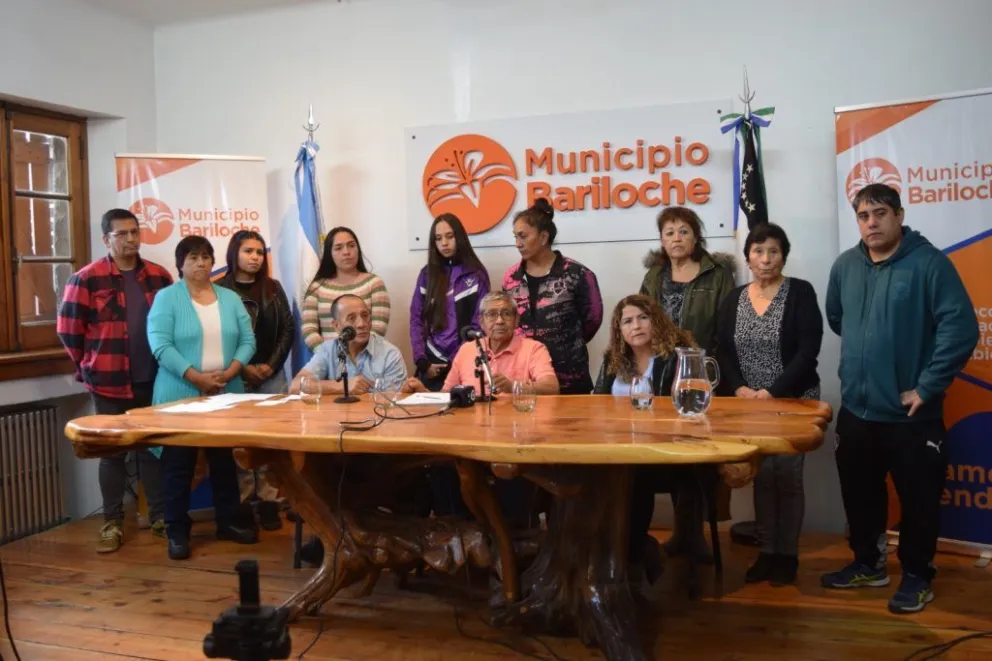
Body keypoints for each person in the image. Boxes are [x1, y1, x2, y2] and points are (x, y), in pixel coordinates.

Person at [821, 184, 978, 614]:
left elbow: (960, 329)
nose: (871, 222)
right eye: (863, 215)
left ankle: (916, 575)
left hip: (912, 416)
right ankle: (868, 564)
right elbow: (839, 319)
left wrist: (927, 386)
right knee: (860, 494)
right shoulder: (845, 266)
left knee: (919, 500)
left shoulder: (929, 264)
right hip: (858, 410)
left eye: (880, 213)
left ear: (899, 215)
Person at [56, 208, 173, 553]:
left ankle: (160, 517)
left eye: (135, 232)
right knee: (112, 455)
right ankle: (112, 522)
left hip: (154, 380)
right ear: (106, 239)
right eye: (122, 234)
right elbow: (68, 331)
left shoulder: (159, 276)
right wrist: (88, 365)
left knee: (154, 450)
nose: (131, 239)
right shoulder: (86, 279)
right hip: (107, 382)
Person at [717, 223, 823, 587]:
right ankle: (767, 553)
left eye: (773, 251)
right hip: (750, 405)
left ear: (783, 256)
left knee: (788, 478)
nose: (766, 258)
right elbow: (723, 351)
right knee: (763, 478)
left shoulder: (801, 293)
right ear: (748, 256)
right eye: (759, 251)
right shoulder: (734, 298)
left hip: (793, 401)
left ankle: (787, 556)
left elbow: (808, 352)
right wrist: (739, 387)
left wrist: (773, 391)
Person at [147, 236, 259, 560]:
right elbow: (160, 345)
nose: (201, 263)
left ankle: (227, 521)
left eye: (206, 257)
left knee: (224, 460)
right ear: (180, 263)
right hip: (179, 394)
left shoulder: (230, 298)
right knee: (178, 465)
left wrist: (232, 371)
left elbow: (248, 340)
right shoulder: (166, 299)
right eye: (193, 257)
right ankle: (177, 531)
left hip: (226, 390)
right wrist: (197, 377)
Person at [406, 292, 559, 522]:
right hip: (469, 438)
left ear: (516, 320)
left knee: (513, 477)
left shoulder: (533, 349)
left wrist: (514, 385)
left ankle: (512, 537)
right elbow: (448, 395)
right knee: (441, 469)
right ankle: (458, 532)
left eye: (506, 313)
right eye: (492, 314)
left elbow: (551, 387)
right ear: (481, 321)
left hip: (514, 438)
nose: (499, 320)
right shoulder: (468, 350)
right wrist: (425, 394)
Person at [639, 206, 736, 559]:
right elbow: (640, 317)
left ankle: (693, 534)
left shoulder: (718, 274)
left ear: (696, 236)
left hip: (702, 373)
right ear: (661, 240)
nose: (676, 238)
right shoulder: (654, 275)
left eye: (683, 231)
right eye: (669, 233)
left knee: (698, 456)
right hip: (661, 373)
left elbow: (728, 327)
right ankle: (679, 535)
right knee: (666, 452)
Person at [592, 294, 695, 583]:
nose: (635, 326)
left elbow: (685, 410)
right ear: (619, 330)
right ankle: (607, 553)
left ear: (656, 321)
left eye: (642, 318)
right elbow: (598, 405)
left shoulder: (675, 356)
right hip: (617, 448)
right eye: (627, 321)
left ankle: (632, 554)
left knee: (633, 478)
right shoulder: (613, 361)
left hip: (664, 450)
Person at [217, 230, 294, 531]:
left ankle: (270, 501)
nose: (254, 257)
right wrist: (243, 367)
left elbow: (288, 329)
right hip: (236, 376)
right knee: (240, 443)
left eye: (260, 252)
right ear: (234, 253)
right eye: (248, 251)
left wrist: (270, 366)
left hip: (272, 376)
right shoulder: (220, 290)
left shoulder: (273, 289)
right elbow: (219, 336)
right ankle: (246, 501)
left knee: (270, 442)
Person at [502, 198, 603, 395]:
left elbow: (593, 320)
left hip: (569, 379)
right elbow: (508, 320)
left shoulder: (576, 273)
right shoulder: (511, 278)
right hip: (526, 380)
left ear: (543, 237)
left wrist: (566, 342)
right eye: (515, 237)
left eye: (523, 236)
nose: (517, 244)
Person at [409, 214, 490, 391]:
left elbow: (480, 323)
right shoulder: (426, 275)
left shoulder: (476, 274)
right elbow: (416, 320)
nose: (444, 243)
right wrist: (422, 362)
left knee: (466, 416)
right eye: (438, 238)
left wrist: (458, 360)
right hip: (431, 364)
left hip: (464, 361)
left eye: (450, 236)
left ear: (459, 237)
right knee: (431, 416)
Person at [290, 294, 408, 396]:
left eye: (365, 315)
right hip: (336, 419)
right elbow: (295, 386)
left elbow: (395, 402)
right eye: (352, 318)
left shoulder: (390, 354)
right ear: (336, 326)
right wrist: (342, 387)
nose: (361, 324)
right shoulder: (328, 349)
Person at [301, 227, 390, 348]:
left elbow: (378, 328)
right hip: (328, 362)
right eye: (338, 248)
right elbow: (309, 329)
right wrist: (329, 356)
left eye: (351, 245)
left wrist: (356, 356)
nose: (346, 252)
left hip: (366, 361)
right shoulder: (316, 288)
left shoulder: (374, 283)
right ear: (329, 253)